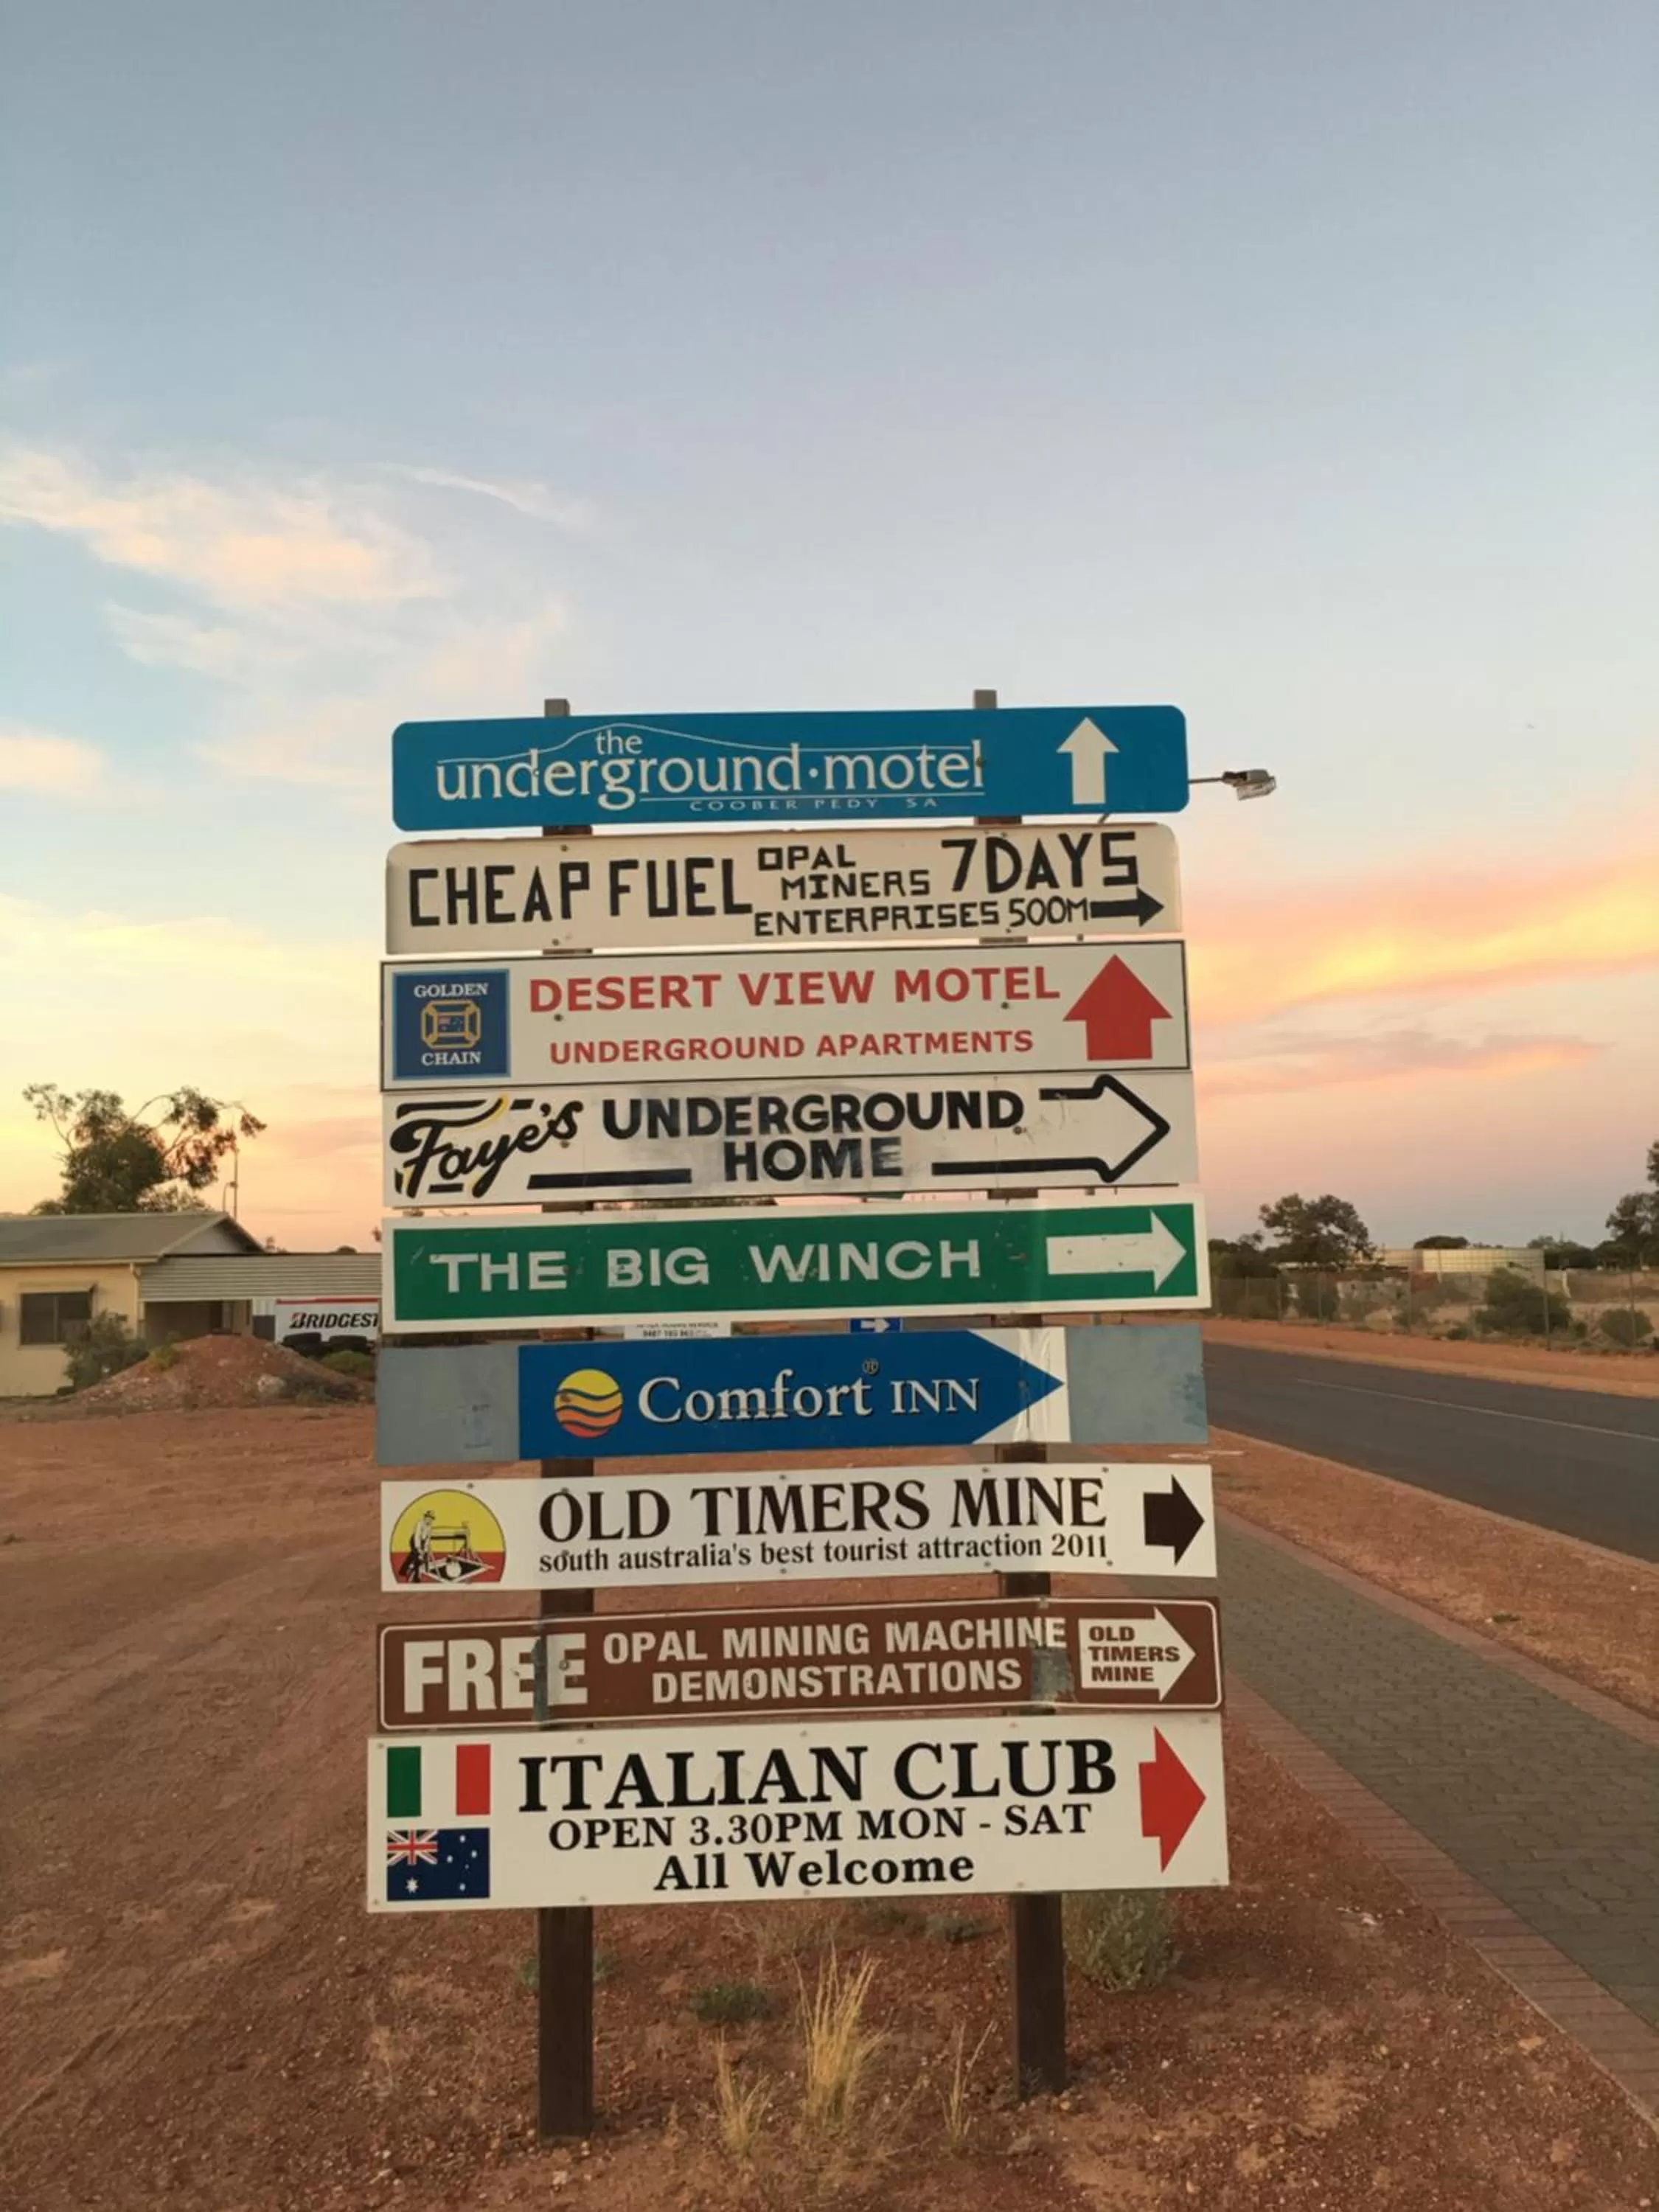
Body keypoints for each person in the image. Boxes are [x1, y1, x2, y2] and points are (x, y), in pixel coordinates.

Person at [402, 1509, 437, 1582]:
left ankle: (403, 1571)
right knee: (417, 1558)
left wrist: (425, 1549)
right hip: (415, 1541)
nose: (430, 1520)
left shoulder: (430, 1527)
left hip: (422, 1542)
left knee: (413, 1557)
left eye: (431, 1519)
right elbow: (417, 1537)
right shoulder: (420, 1523)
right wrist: (418, 1549)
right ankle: (416, 1578)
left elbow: (427, 1539)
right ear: (425, 1517)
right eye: (429, 1518)